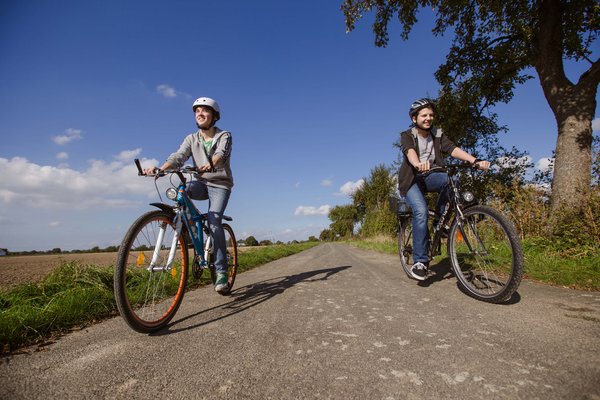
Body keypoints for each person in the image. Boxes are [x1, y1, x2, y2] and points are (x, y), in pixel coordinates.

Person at [144, 97, 233, 293]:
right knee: (180, 193)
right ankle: (188, 232)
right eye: (196, 111)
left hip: (220, 184)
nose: (200, 114)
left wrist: (211, 164)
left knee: (214, 220)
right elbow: (179, 156)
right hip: (200, 183)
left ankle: (221, 271)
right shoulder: (191, 138)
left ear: (214, 115)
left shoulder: (224, 135)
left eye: (204, 110)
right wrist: (162, 168)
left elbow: (221, 154)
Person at [397, 98, 490, 281]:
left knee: (451, 180)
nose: (428, 118)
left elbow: (452, 149)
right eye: (424, 115)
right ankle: (420, 262)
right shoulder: (407, 135)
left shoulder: (437, 134)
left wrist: (474, 161)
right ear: (414, 118)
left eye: (431, 115)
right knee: (421, 211)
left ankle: (442, 222)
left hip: (431, 176)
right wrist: (417, 164)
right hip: (412, 180)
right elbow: (410, 152)